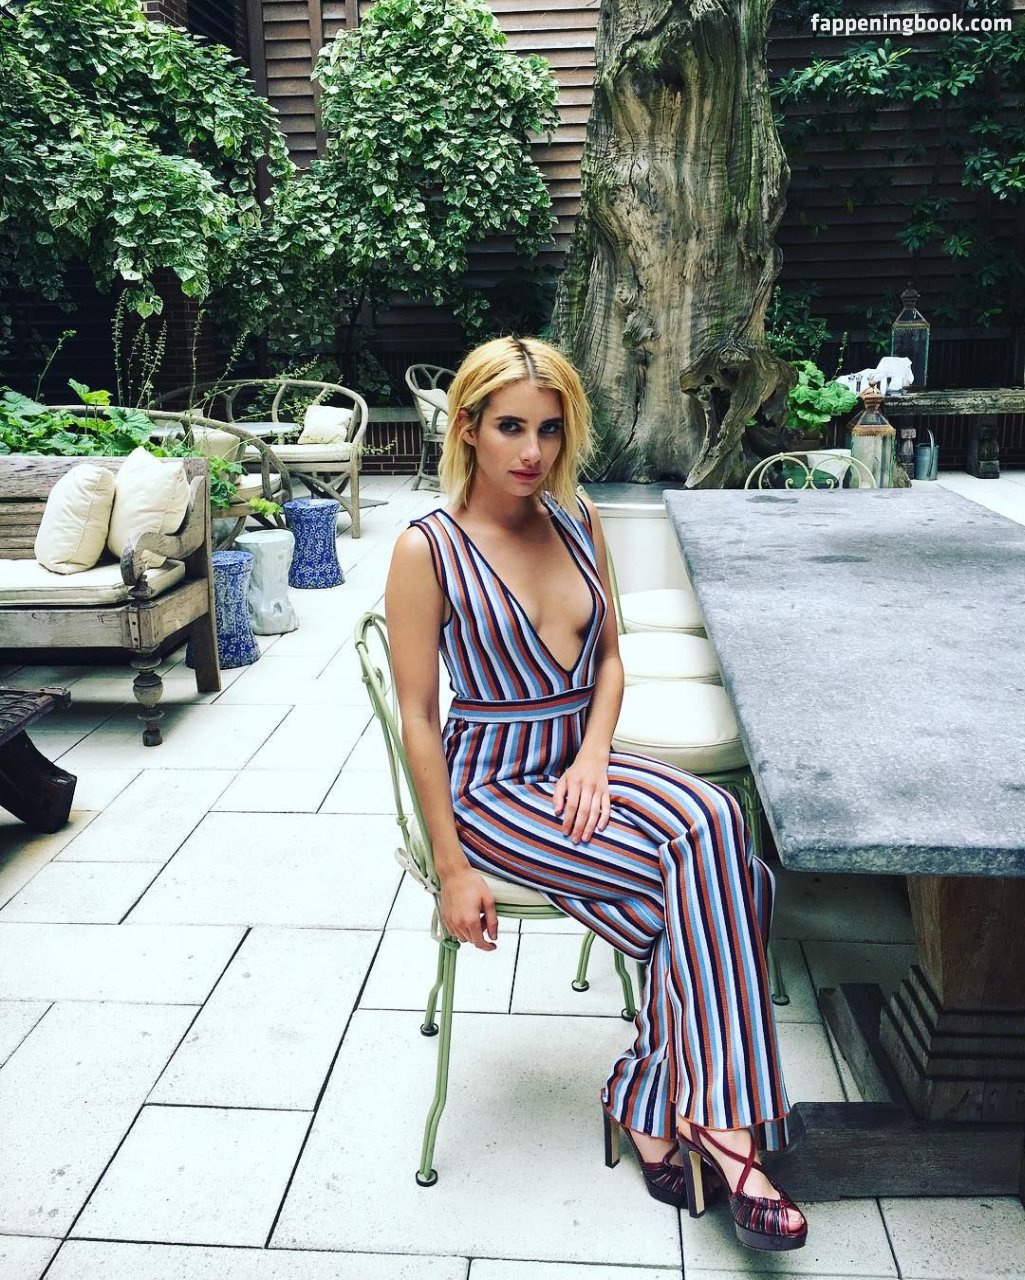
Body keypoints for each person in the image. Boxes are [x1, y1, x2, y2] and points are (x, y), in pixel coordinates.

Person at [385, 336, 807, 1252]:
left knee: (720, 831)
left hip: (579, 761)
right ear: (467, 428)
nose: (531, 451)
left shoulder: (578, 518)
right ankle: (729, 1135)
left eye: (548, 429)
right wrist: (451, 868)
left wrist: (592, 756)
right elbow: (417, 716)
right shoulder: (428, 548)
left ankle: (655, 1100)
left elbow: (612, 658)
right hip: (493, 784)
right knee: (727, 880)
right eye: (510, 427)